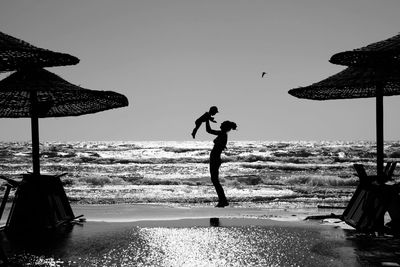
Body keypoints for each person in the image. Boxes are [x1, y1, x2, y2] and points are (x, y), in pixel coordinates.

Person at [205, 119, 237, 207]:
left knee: (215, 180)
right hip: (215, 158)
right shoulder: (223, 134)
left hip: (215, 158)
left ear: (225, 127)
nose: (221, 124)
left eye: (222, 124)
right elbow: (209, 131)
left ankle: (223, 200)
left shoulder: (222, 134)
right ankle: (223, 200)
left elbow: (209, 131)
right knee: (215, 180)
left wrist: (206, 120)